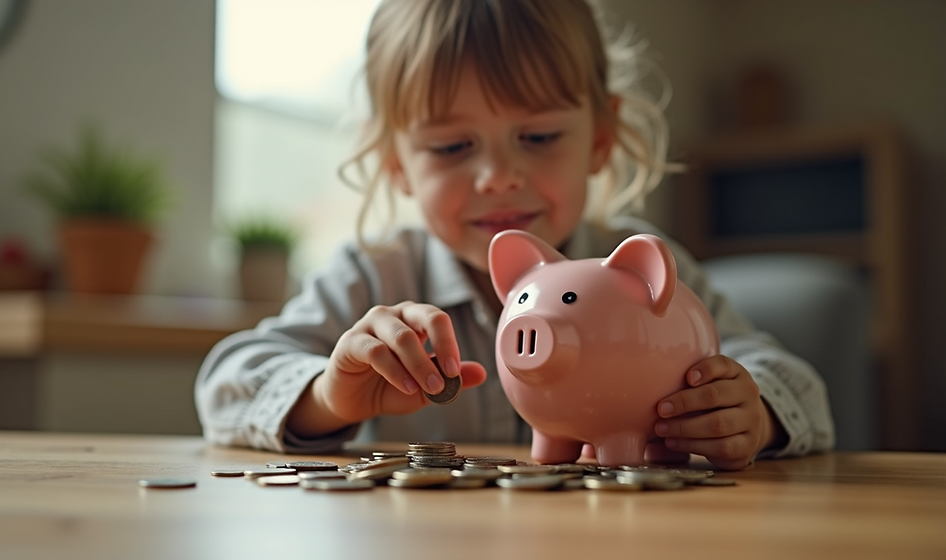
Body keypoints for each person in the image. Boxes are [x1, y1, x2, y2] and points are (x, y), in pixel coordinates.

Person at [196, 0, 835, 471]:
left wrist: (749, 412)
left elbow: (795, 381)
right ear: (397, 163)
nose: (499, 177)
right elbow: (226, 382)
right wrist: (331, 394)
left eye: (538, 137)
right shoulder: (373, 277)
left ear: (601, 138)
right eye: (451, 146)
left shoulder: (647, 274)